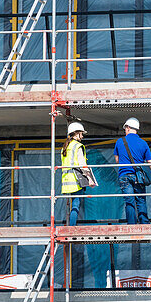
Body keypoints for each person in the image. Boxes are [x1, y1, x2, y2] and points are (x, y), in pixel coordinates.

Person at [61, 121, 94, 287]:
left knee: (70, 206)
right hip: (76, 181)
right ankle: (71, 228)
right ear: (77, 133)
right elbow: (82, 165)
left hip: (66, 181)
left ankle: (69, 226)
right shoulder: (78, 147)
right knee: (76, 205)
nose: (83, 136)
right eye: (81, 133)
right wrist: (90, 180)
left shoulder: (65, 147)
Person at [114, 117, 151, 225]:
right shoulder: (143, 143)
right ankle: (144, 224)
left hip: (124, 175)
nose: (125, 130)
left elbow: (117, 160)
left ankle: (131, 225)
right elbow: (150, 161)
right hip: (138, 176)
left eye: (125, 128)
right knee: (141, 200)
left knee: (129, 201)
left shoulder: (120, 142)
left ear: (128, 128)